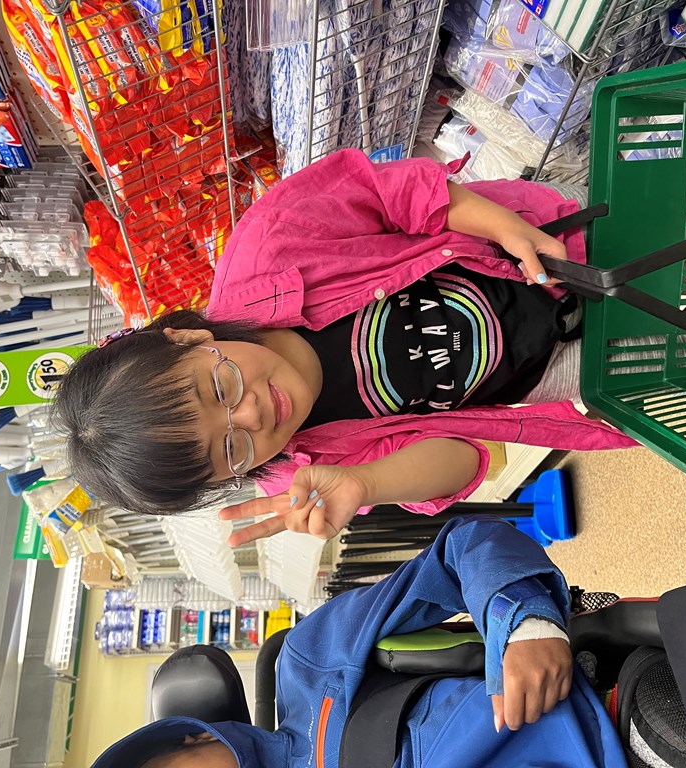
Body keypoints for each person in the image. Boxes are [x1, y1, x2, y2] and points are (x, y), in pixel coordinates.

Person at [53, 149, 635, 544]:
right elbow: (463, 457)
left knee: (675, 232)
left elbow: (394, 193)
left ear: (186, 337)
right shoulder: (303, 474)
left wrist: (508, 230)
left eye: (221, 387)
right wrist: (365, 485)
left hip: (541, 236)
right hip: (550, 370)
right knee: (677, 355)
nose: (252, 415)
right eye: (230, 448)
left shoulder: (269, 246)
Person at [88, 516, 628, 768]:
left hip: (604, 726)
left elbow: (461, 550)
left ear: (191, 738)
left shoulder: (310, 668)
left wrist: (524, 625)